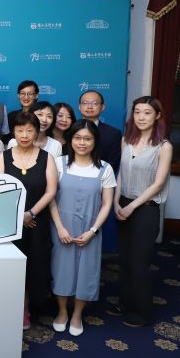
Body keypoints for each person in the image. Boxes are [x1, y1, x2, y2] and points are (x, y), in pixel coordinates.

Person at [49, 119, 116, 337]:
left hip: (90, 230)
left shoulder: (105, 168)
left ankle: (77, 314)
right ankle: (62, 311)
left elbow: (107, 203)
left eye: (87, 138)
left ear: (95, 141)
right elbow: (51, 198)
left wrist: (93, 231)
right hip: (62, 228)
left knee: (86, 272)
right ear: (71, 139)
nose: (82, 143)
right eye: (77, 138)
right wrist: (60, 228)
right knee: (61, 270)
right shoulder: (59, 163)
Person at [0, 111, 58, 330]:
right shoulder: (3, 157)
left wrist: (31, 213)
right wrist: (17, 216)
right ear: (13, 132)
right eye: (20, 130)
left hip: (36, 222)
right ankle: (8, 307)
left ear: (37, 132)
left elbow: (51, 191)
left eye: (30, 130)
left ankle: (26, 308)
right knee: (10, 268)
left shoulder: (47, 158)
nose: (25, 135)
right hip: (8, 224)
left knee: (34, 266)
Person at [111, 96, 172, 327]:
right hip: (123, 204)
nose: (141, 117)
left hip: (145, 209)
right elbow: (121, 174)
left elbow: (158, 184)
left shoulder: (164, 147)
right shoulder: (126, 140)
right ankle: (125, 303)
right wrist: (116, 202)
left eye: (147, 113)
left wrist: (132, 206)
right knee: (125, 260)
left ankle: (140, 312)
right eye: (137, 112)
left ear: (157, 116)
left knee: (139, 262)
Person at [78, 90, 122, 174]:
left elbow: (112, 165)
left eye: (95, 103)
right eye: (85, 103)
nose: (89, 107)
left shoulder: (113, 134)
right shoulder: (70, 130)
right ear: (79, 107)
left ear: (102, 107)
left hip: (99, 179)